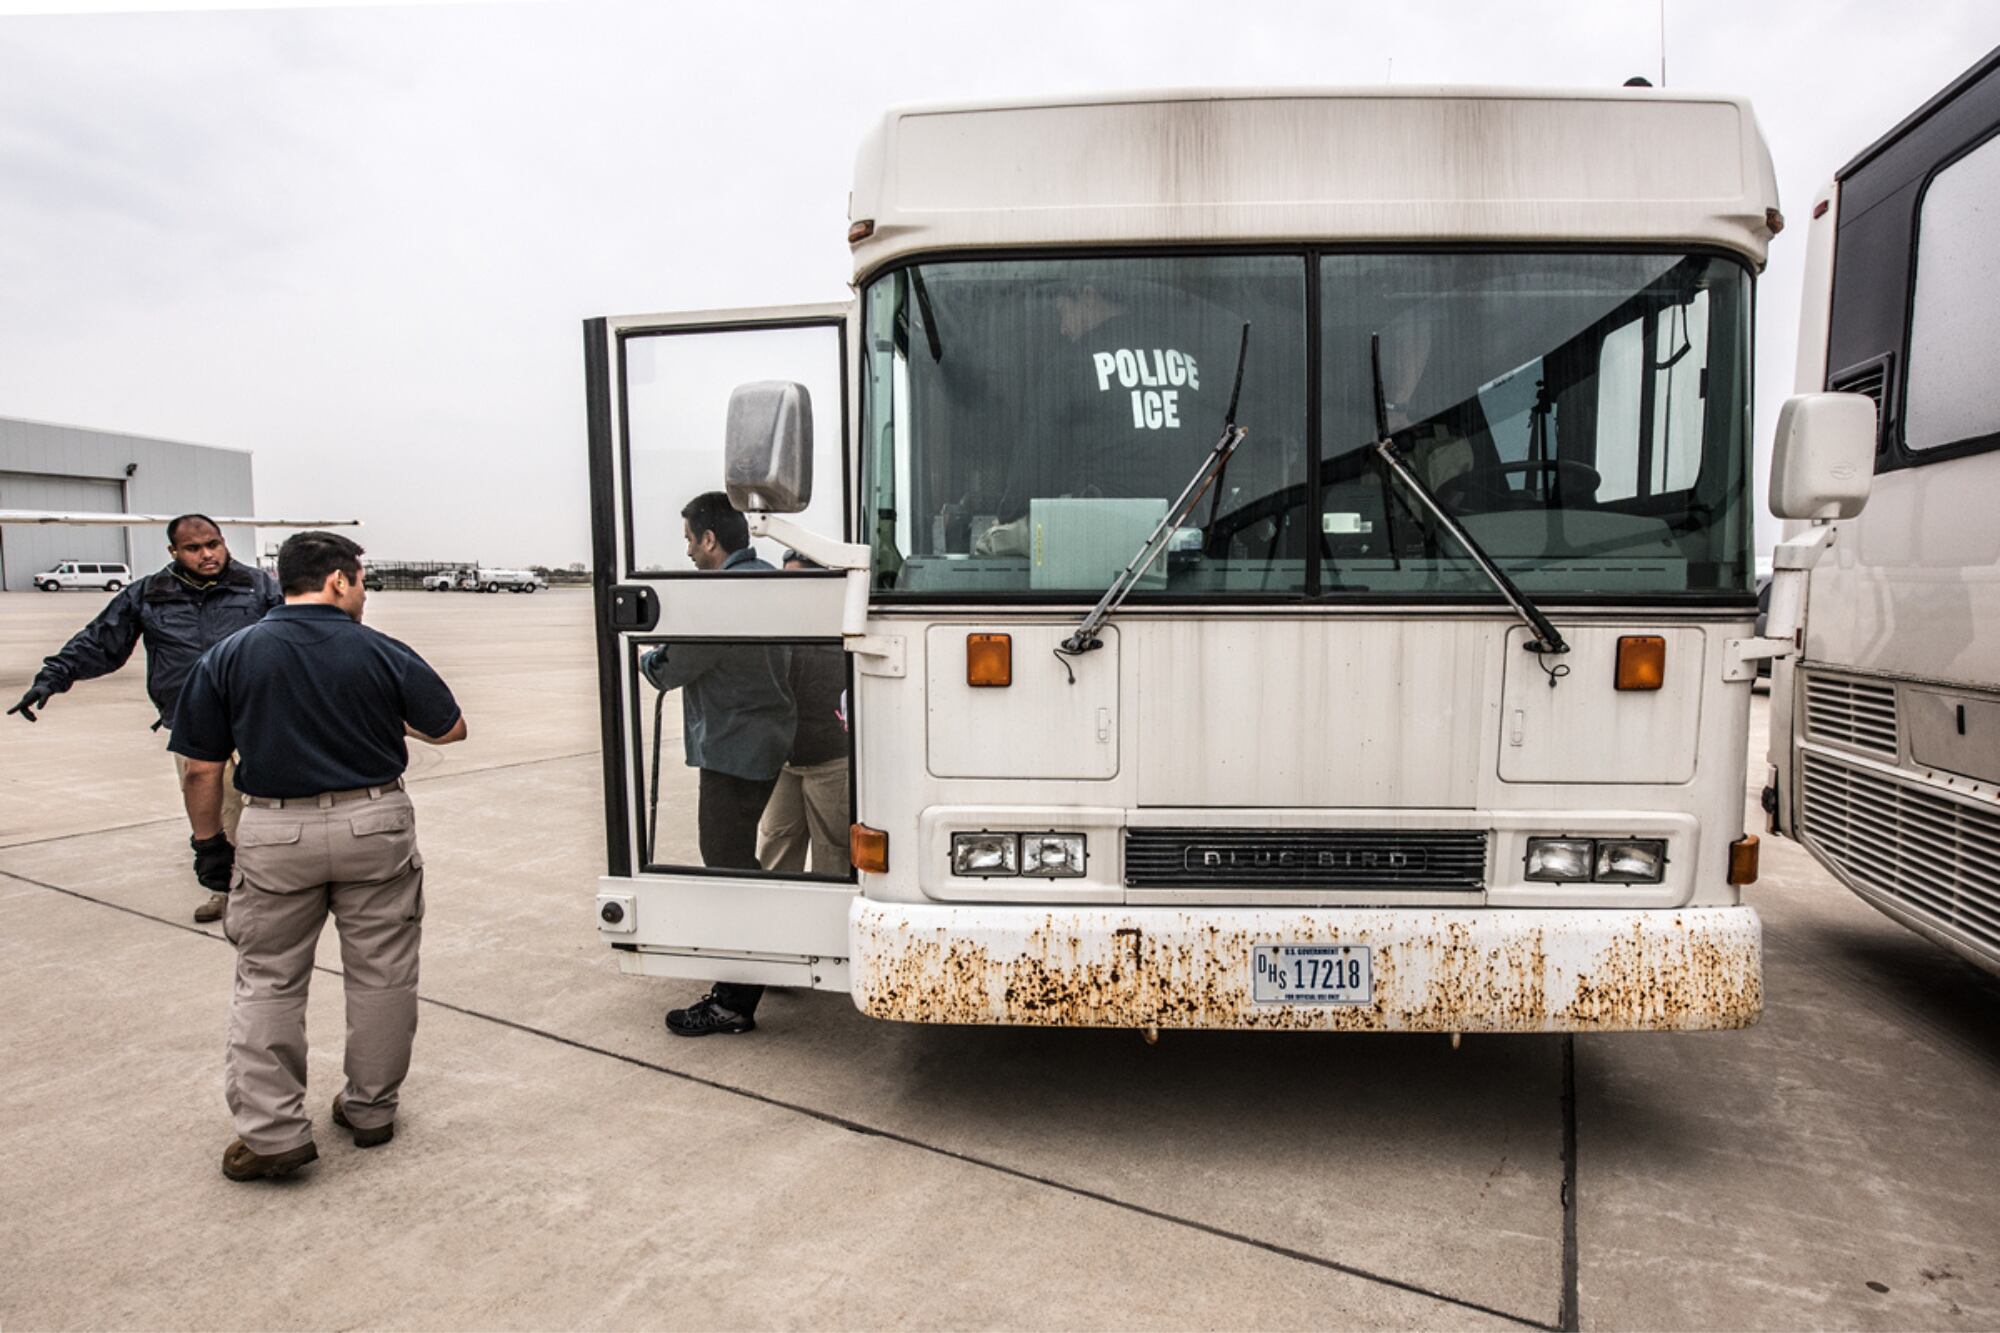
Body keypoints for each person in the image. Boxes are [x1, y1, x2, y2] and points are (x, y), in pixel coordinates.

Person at [168, 530, 466, 1182]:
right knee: (383, 972)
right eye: (360, 580)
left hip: (276, 831)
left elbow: (200, 768)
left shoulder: (230, 654)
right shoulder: (379, 650)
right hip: (375, 824)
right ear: (337, 580)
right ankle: (371, 1109)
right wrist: (378, 711)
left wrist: (209, 846)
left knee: (269, 977)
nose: (363, 592)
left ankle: (272, 1133)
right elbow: (449, 726)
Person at [7, 514, 282, 922]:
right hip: (193, 722)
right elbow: (101, 640)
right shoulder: (149, 594)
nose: (206, 554)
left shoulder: (260, 587)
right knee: (218, 810)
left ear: (224, 542)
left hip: (257, 718)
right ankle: (225, 892)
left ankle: (279, 893)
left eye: (213, 544)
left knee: (271, 807)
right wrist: (53, 678)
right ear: (174, 552)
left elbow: (300, 636)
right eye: (193, 548)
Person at [640, 492, 793, 1037]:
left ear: (710, 539)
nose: (687, 549)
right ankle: (770, 955)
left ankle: (734, 999)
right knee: (736, 857)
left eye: (689, 538)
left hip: (733, 746)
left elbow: (671, 666)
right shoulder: (772, 581)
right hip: (769, 737)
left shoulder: (724, 593)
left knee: (727, 864)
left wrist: (648, 657)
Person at [756, 551, 850, 878]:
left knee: (833, 855)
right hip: (784, 762)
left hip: (830, 761)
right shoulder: (779, 625)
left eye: (795, 578)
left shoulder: (842, 624)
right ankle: (776, 918)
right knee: (775, 845)